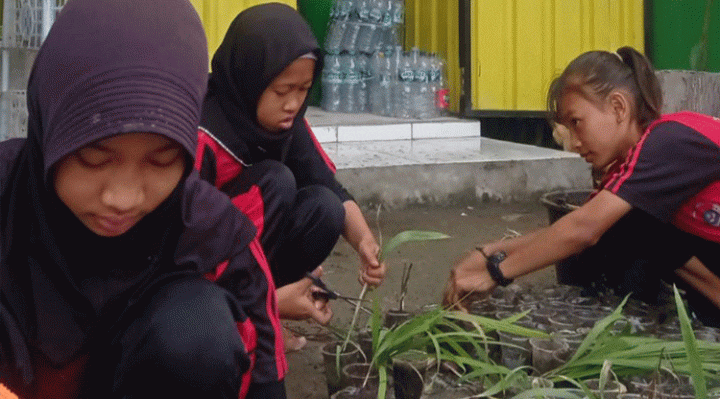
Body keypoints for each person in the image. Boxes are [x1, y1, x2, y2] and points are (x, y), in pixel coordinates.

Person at [0, 0, 287, 398]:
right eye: (93, 159)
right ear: (49, 125)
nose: (122, 198)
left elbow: (266, 380)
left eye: (161, 161)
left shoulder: (212, 235)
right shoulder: (6, 195)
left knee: (197, 334)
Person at [443, 46, 720, 326]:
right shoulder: (633, 172)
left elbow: (582, 230)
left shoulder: (669, 142)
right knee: (626, 222)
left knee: (618, 223)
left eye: (577, 122)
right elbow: (569, 229)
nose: (574, 143)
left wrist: (495, 273)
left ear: (618, 107)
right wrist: (489, 254)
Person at [195, 3, 387, 344]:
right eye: (282, 91)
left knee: (325, 208)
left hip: (250, 252)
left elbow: (327, 185)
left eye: (303, 90)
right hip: (199, 269)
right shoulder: (204, 134)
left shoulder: (287, 123)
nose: (293, 104)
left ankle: (263, 314)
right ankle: (244, 314)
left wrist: (364, 242)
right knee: (276, 181)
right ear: (248, 79)